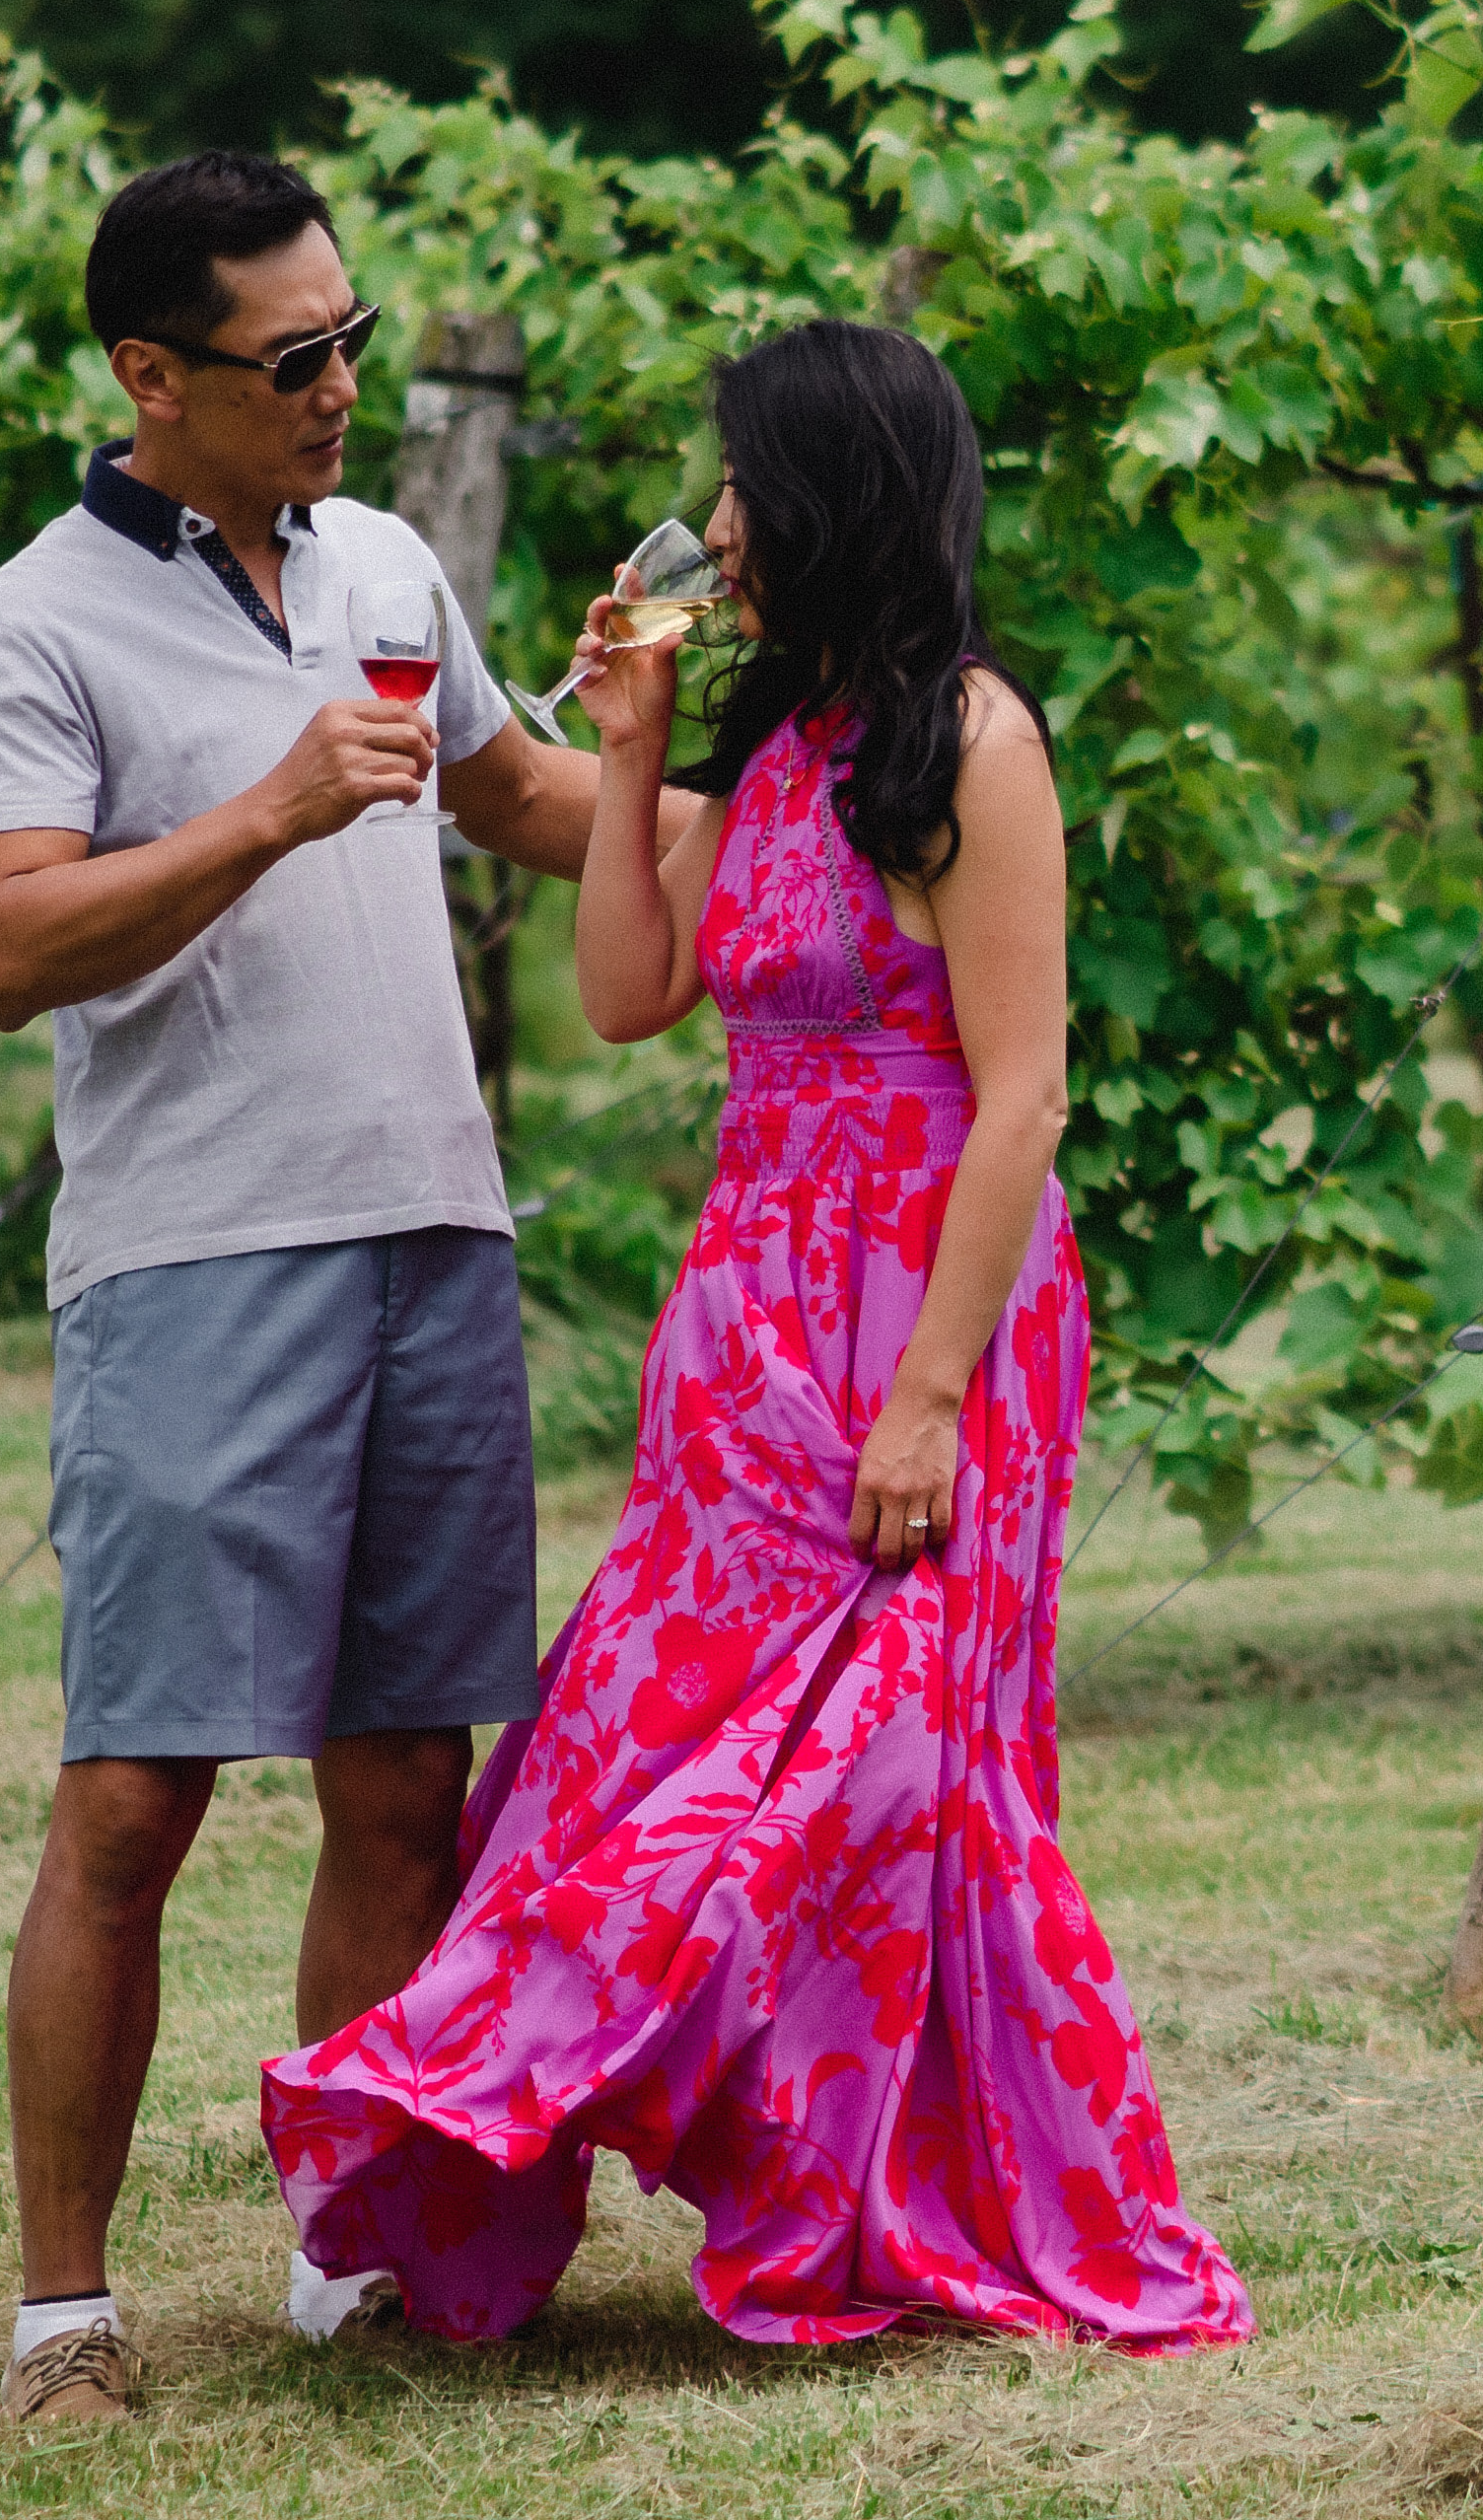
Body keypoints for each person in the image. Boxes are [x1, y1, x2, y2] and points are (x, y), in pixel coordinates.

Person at [257, 317, 1247, 2357]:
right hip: (749, 1314)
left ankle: (918, 2193)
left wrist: (933, 1400)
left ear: (823, 500)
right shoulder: (781, 757)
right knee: (653, 1747)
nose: (713, 522)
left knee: (898, 1761)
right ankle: (702, 2146)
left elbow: (1027, 1097)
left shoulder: (974, 744)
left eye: (738, 485)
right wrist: (628, 750)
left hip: (927, 1309)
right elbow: (627, 992)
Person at [0, 150, 669, 2425]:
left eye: (354, 333)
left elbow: (527, 800)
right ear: (151, 378)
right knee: (136, 1804)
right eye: (297, 357)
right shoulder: (33, 623)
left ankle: (353, 2253)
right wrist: (261, 812)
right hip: (191, 1264)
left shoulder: (382, 560)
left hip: (432, 1233)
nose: (347, 384)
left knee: (401, 1786)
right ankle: (65, 2313)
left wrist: (850, 848)